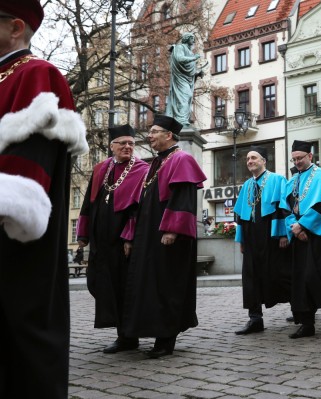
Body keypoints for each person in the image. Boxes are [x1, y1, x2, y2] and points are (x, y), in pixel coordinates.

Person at [0, 2, 88, 397]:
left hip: (14, 243)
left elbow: (23, 188)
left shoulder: (38, 74)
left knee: (22, 335)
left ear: (16, 27)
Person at [122, 115, 207, 358]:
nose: (149, 135)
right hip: (150, 238)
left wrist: (172, 229)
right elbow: (142, 203)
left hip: (169, 238)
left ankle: (166, 338)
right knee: (153, 285)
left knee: (167, 286)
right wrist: (131, 236)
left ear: (169, 135)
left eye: (155, 131)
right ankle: (156, 332)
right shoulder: (156, 163)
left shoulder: (181, 159)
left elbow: (184, 198)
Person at [76, 124, 149, 353]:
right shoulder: (101, 169)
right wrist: (83, 234)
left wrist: (129, 237)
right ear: (112, 146)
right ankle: (123, 332)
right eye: (123, 143)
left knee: (124, 287)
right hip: (101, 242)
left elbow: (139, 208)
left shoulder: (141, 169)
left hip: (122, 242)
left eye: (131, 143)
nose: (128, 147)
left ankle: (127, 336)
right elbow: (89, 202)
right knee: (99, 283)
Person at [281, 140, 321, 339]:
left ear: (310, 157)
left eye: (300, 158)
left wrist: (304, 225)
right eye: (294, 159)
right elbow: (285, 208)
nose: (297, 162)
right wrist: (294, 228)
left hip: (318, 234)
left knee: (316, 275)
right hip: (298, 235)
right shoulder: (292, 180)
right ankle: (306, 323)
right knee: (299, 280)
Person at [233, 146, 291, 335]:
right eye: (248, 158)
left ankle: (300, 310)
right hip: (251, 238)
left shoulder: (277, 180)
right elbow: (240, 216)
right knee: (250, 278)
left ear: (264, 161)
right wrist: (241, 239)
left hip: (271, 236)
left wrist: (283, 234)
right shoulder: (247, 185)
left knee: (280, 274)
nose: (250, 161)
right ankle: (255, 319)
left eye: (254, 158)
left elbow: (284, 208)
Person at [166, 32, 203, 127]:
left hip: (186, 79)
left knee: (188, 97)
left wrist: (198, 73)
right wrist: (193, 58)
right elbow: (179, 59)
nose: (193, 40)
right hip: (179, 78)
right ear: (187, 38)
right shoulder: (180, 47)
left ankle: (182, 119)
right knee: (185, 95)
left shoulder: (190, 52)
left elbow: (190, 70)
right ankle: (180, 120)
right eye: (192, 38)